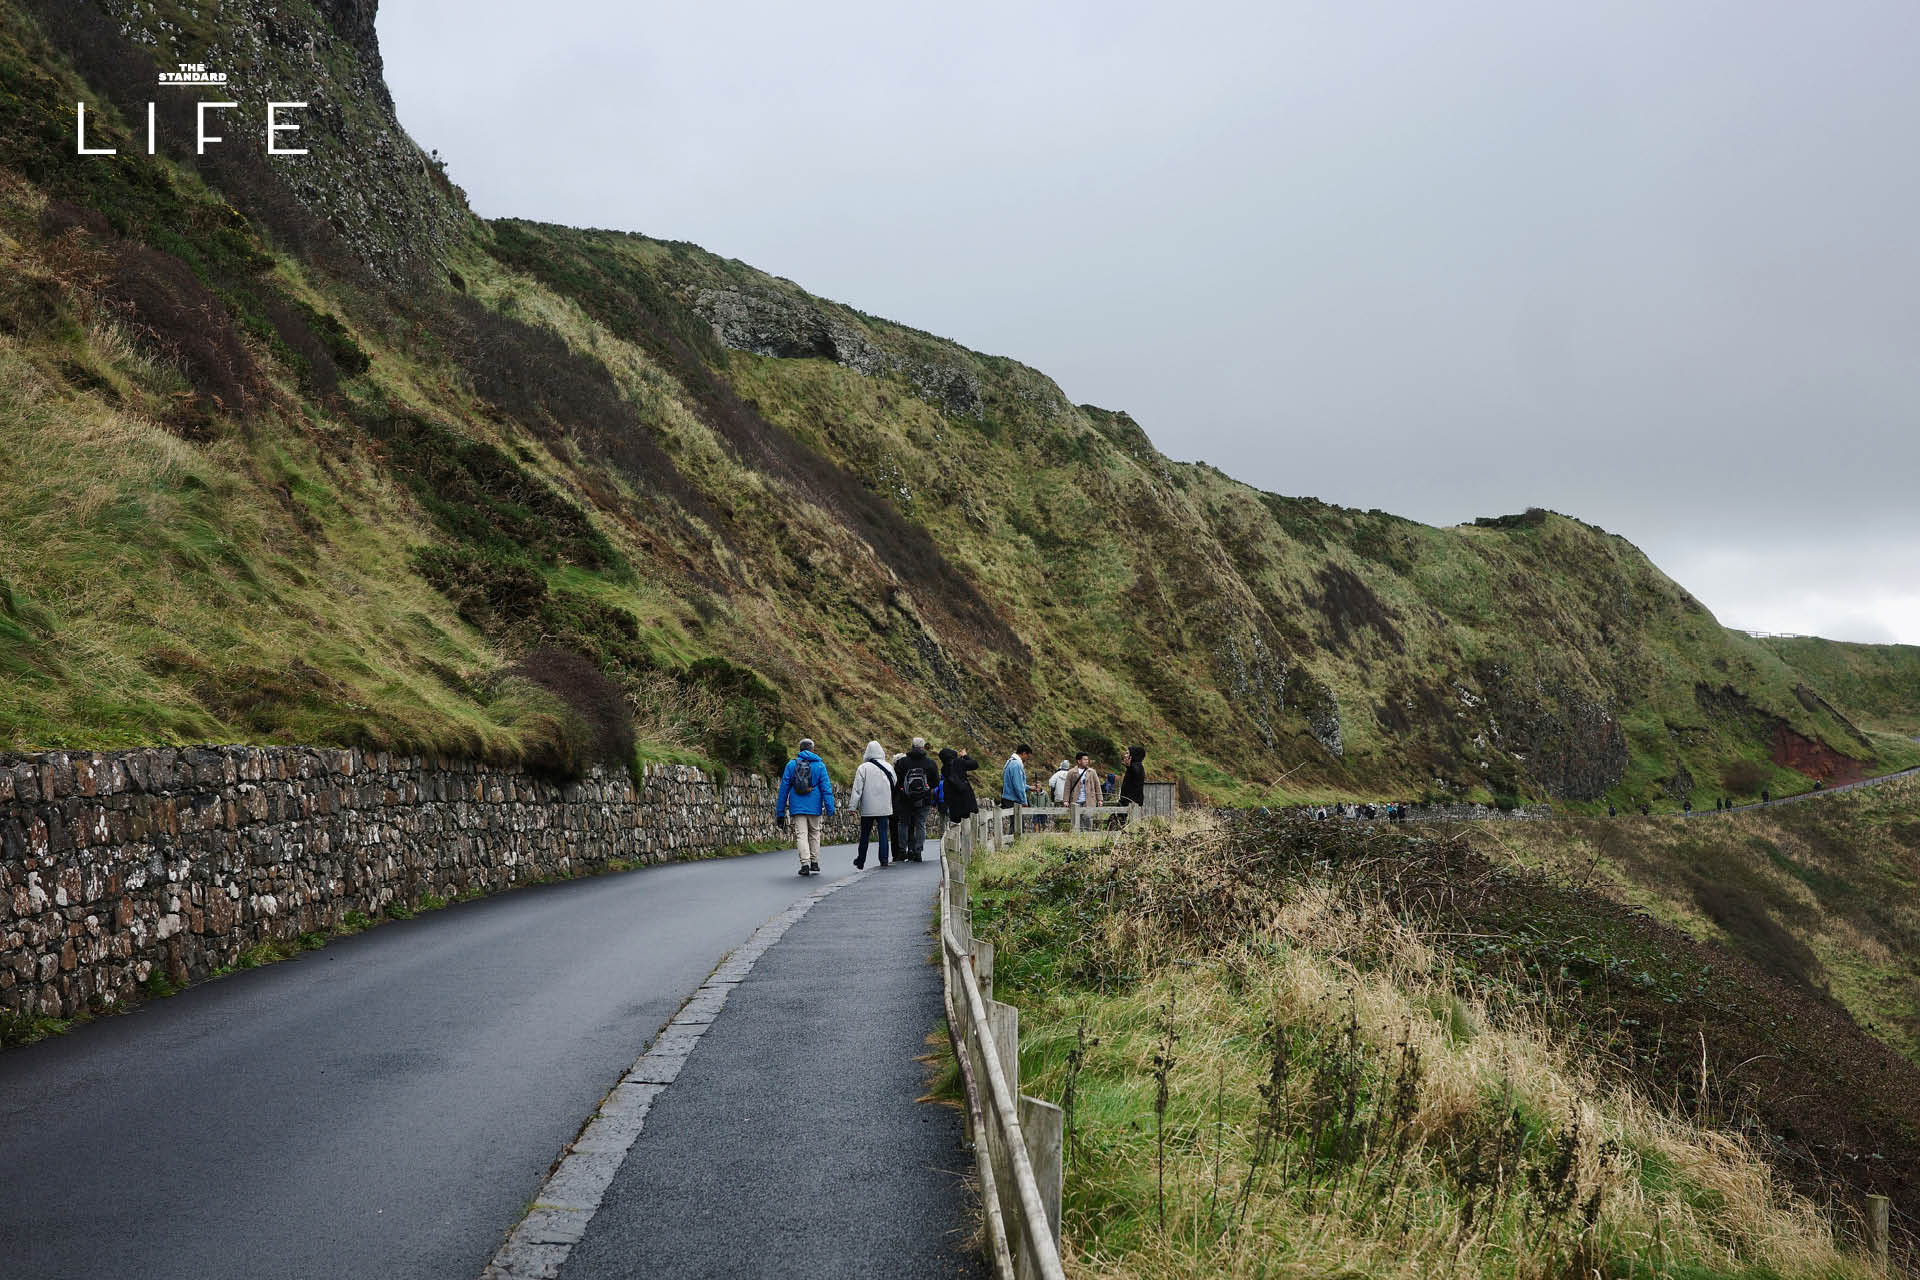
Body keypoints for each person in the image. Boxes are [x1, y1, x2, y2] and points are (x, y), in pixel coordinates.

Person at [776, 738, 835, 877]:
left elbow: (783, 789)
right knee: (814, 833)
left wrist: (780, 812)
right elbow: (826, 789)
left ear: (800, 749)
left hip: (797, 805)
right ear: (812, 749)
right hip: (814, 805)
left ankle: (805, 864)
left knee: (801, 835)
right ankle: (814, 862)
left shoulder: (791, 765)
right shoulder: (820, 766)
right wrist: (830, 808)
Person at [847, 741, 896, 870]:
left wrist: (852, 807)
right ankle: (884, 859)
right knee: (883, 834)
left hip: (868, 807)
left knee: (865, 835)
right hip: (884, 807)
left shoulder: (863, 768)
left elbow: (857, 789)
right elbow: (894, 783)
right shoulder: (888, 766)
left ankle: (861, 860)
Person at [893, 737, 939, 861]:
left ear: (912, 746)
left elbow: (896, 781)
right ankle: (918, 851)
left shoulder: (902, 762)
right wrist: (928, 788)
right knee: (920, 824)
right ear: (923, 747)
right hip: (924, 799)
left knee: (903, 823)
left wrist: (903, 789)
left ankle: (902, 850)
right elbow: (935, 782)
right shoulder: (930, 763)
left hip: (905, 798)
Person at [941, 747, 979, 827]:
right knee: (968, 825)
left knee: (956, 826)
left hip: (953, 802)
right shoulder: (959, 762)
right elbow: (974, 764)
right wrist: (965, 756)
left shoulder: (944, 768)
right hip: (965, 799)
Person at [1002, 744, 1032, 811]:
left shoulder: (1010, 762)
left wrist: (1029, 788)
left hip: (1007, 799)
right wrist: (1024, 801)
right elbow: (1018, 786)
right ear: (1024, 753)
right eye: (1027, 757)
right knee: (1018, 821)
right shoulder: (1016, 765)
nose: (1027, 759)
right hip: (1013, 801)